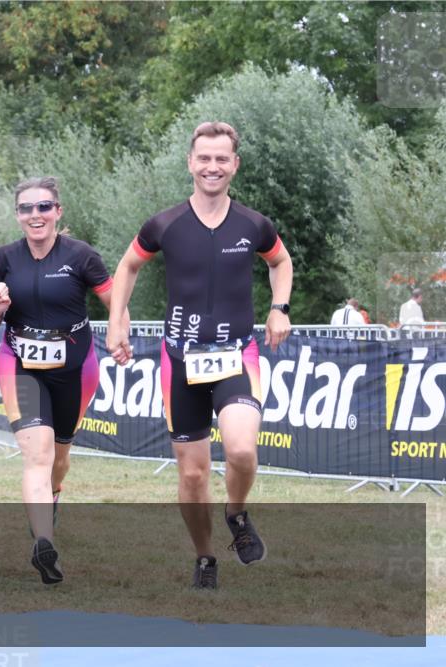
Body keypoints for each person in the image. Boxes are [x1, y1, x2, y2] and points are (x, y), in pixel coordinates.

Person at [106, 122, 293, 590]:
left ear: (235, 165)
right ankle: (206, 557)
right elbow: (127, 266)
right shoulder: (165, 224)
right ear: (190, 162)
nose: (213, 167)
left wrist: (279, 309)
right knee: (192, 476)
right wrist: (116, 318)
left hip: (237, 356)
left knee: (242, 450)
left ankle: (236, 512)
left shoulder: (253, 224)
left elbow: (281, 262)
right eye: (204, 158)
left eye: (222, 159)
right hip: (180, 362)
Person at [0, 176, 116, 585]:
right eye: (26, 208)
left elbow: (117, 302)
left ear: (58, 211)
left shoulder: (82, 255)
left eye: (43, 207)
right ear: (18, 215)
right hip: (18, 363)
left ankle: (52, 499)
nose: (34, 215)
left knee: (58, 458)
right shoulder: (5, 258)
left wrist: (120, 334)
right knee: (36, 454)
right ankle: (44, 542)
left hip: (75, 369)